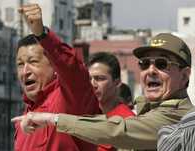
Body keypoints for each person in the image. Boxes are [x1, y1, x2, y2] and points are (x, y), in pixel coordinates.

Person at [12, 29, 194, 150]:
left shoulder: (181, 119)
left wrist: (53, 119)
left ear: (185, 76)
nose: (150, 71)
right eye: (145, 63)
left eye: (162, 64)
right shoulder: (142, 112)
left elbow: (118, 130)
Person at [13, 3, 100, 151]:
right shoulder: (25, 118)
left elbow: (73, 69)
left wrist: (42, 34)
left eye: (33, 61)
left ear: (55, 66)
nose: (25, 71)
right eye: (20, 64)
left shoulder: (68, 100)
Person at [87, 52, 135, 151]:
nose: (93, 84)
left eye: (100, 78)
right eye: (89, 79)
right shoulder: (85, 114)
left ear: (116, 83)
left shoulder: (127, 121)